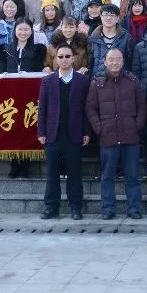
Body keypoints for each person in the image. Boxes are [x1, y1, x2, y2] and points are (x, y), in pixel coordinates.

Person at [86, 48, 146, 220]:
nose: (115, 62)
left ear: (123, 61)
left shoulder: (132, 81)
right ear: (104, 61)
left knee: (132, 176)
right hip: (108, 137)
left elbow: (142, 106)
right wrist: (99, 128)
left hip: (130, 137)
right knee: (107, 176)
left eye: (118, 59)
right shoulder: (97, 83)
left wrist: (137, 125)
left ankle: (134, 208)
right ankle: (108, 209)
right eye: (111, 59)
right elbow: (90, 108)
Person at [39, 44, 91, 220]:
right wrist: (42, 132)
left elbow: (86, 109)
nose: (64, 60)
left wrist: (86, 131)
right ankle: (51, 207)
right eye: (60, 57)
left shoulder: (83, 81)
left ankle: (76, 207)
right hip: (53, 135)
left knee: (74, 173)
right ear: (55, 60)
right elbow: (42, 109)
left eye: (67, 56)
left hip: (74, 134)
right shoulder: (47, 81)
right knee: (52, 173)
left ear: (74, 58)